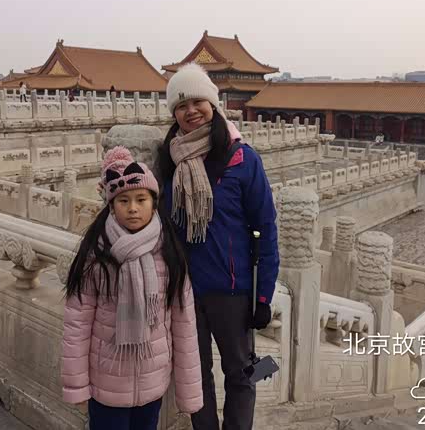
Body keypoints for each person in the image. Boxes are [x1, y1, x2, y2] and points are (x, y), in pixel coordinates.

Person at [156, 63, 279, 430]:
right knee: (196, 376)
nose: (191, 111)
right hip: (185, 289)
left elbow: (265, 228)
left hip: (232, 291)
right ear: (174, 113)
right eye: (181, 105)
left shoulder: (242, 158)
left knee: (242, 373)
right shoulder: (169, 159)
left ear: (213, 103)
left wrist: (263, 297)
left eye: (198, 101)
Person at [62, 146, 203, 430]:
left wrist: (189, 394)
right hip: (106, 382)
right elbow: (77, 324)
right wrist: (77, 387)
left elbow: (184, 325)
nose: (133, 208)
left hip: (152, 381)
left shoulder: (169, 255)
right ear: (111, 205)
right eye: (123, 200)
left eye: (141, 199)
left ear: (154, 202)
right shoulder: (97, 254)